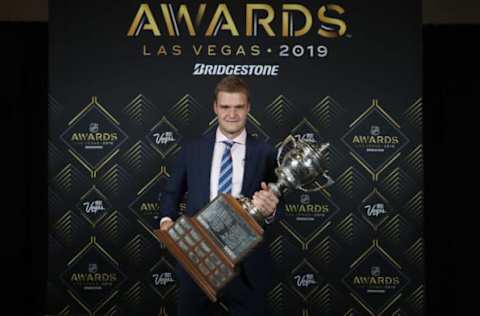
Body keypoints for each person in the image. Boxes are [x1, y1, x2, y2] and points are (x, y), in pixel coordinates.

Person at [159, 75, 281, 316]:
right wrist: (166, 221)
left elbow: (278, 201)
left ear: (248, 108)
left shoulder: (266, 152)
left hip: (247, 264)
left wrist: (271, 210)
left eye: (238, 107)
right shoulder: (192, 148)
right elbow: (172, 193)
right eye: (225, 107)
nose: (232, 114)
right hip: (197, 259)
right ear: (215, 107)